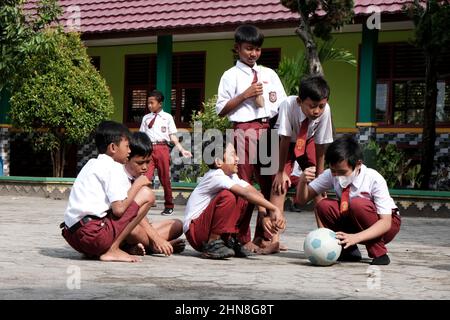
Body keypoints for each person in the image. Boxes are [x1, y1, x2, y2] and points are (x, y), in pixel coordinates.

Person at [215, 24, 287, 251]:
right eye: (248, 49)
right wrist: (244, 95)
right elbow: (221, 110)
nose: (253, 53)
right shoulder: (230, 75)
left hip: (267, 130)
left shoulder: (269, 74)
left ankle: (263, 238)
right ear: (237, 48)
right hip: (243, 131)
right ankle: (240, 236)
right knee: (243, 184)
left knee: (268, 185)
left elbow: (281, 105)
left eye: (257, 49)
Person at [296, 135, 402, 265]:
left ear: (358, 164)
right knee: (323, 206)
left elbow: (385, 223)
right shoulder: (331, 174)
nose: (336, 175)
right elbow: (302, 200)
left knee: (357, 204)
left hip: (386, 224)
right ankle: (348, 251)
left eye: (341, 172)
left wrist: (355, 238)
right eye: (333, 170)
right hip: (354, 221)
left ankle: (379, 253)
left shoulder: (373, 178)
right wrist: (302, 181)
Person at [61, 120, 154, 262]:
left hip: (73, 236)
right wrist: (138, 185)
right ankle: (113, 249)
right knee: (147, 195)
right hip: (93, 236)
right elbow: (119, 210)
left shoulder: (92, 163)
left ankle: (108, 248)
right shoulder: (114, 167)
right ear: (112, 147)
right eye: (127, 146)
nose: (129, 151)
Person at [183, 137, 285, 259]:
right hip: (195, 232)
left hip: (204, 229)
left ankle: (234, 239)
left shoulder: (231, 176)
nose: (237, 159)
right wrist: (275, 209)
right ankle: (213, 243)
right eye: (233, 155)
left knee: (248, 196)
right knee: (228, 196)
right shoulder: (215, 176)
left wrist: (263, 215)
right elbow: (245, 193)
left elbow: (255, 193)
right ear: (219, 162)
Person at [268, 75, 334, 247]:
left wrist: (320, 176)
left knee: (318, 187)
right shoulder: (288, 105)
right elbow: (284, 139)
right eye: (312, 106)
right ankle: (274, 240)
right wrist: (281, 172)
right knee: (279, 185)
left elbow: (321, 145)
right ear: (299, 101)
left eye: (321, 106)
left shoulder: (325, 110)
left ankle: (326, 238)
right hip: (282, 142)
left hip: (308, 141)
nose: (317, 111)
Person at [123, 131, 186, 255]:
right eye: (140, 163)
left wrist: (152, 232)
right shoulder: (120, 177)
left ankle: (142, 244)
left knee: (177, 225)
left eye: (148, 162)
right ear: (126, 159)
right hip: (123, 228)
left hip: (138, 226)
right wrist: (157, 239)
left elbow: (141, 217)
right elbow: (130, 215)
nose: (145, 167)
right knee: (133, 231)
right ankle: (154, 247)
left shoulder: (137, 178)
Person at [139, 89, 192, 216]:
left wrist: (181, 149)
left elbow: (172, 136)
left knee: (164, 179)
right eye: (148, 103)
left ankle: (169, 205)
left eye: (152, 103)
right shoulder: (146, 118)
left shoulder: (167, 117)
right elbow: (141, 135)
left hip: (162, 148)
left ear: (160, 103)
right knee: (145, 177)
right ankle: (143, 202)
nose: (149, 105)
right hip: (148, 149)